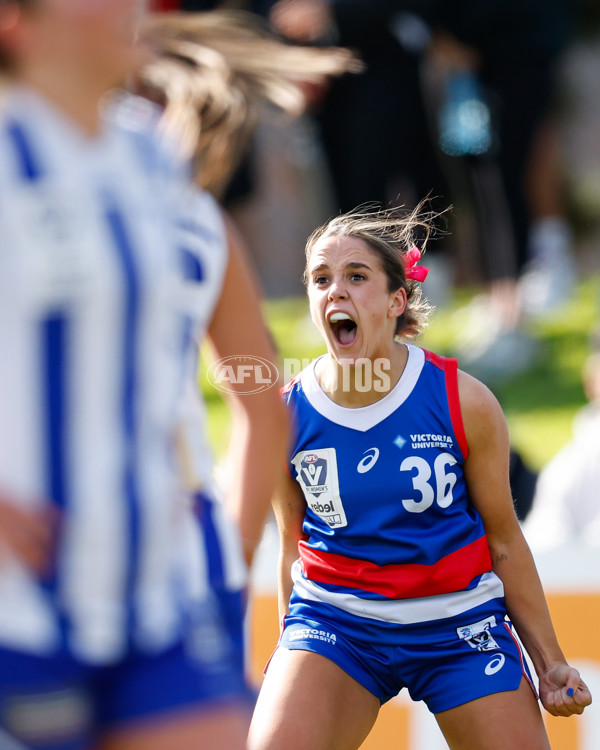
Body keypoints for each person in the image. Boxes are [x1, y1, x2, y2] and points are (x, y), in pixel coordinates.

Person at [0, 2, 288, 749]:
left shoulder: (151, 163)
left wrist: (229, 545)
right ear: (15, 22)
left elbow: (259, 393)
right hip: (21, 611)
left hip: (153, 593)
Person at [247, 204, 592, 750]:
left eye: (356, 277)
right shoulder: (286, 415)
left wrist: (551, 663)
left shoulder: (465, 401)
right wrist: (288, 653)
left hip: (459, 626)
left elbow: (503, 540)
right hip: (338, 625)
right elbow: (293, 544)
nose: (335, 291)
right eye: (320, 279)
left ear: (395, 300)